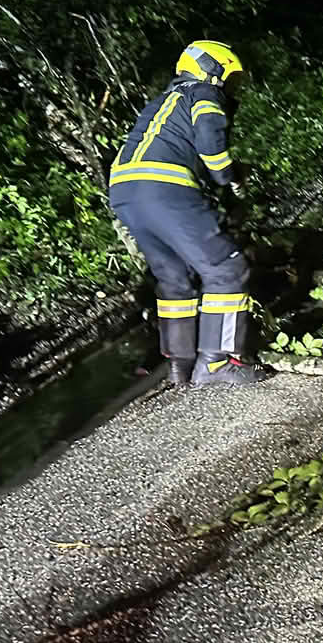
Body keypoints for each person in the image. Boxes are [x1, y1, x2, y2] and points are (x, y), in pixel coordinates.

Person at [108, 41, 266, 387]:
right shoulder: (204, 92)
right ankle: (217, 362)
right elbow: (211, 143)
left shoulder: (162, 102)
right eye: (232, 77)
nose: (232, 86)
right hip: (163, 187)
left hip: (124, 191)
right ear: (213, 68)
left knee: (174, 277)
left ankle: (180, 364)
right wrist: (229, 176)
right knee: (226, 268)